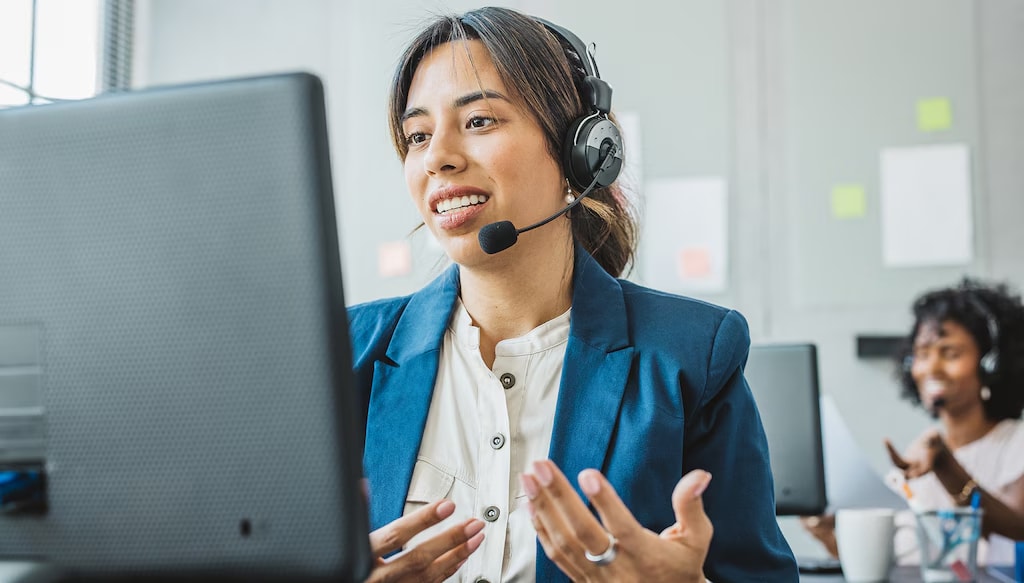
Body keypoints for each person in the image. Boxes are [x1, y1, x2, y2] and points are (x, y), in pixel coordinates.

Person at [347, 7, 798, 581]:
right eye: (417, 135)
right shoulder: (342, 356)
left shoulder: (692, 355)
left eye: (479, 120)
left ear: (579, 150)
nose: (438, 157)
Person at [802, 278, 1024, 565]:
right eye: (922, 353)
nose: (931, 367)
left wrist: (947, 467)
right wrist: (830, 537)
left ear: (991, 364)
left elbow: (1018, 529)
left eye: (950, 353)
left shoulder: (1015, 444)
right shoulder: (917, 460)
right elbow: (902, 564)